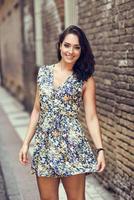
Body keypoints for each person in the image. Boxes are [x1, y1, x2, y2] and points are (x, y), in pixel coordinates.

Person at [19, 25, 106, 200]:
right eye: (67, 45)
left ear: (82, 50)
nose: (71, 51)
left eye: (76, 47)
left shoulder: (85, 79)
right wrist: (26, 142)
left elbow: (91, 117)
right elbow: (37, 110)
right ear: (60, 46)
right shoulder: (43, 73)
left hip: (72, 146)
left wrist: (100, 149)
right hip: (45, 146)